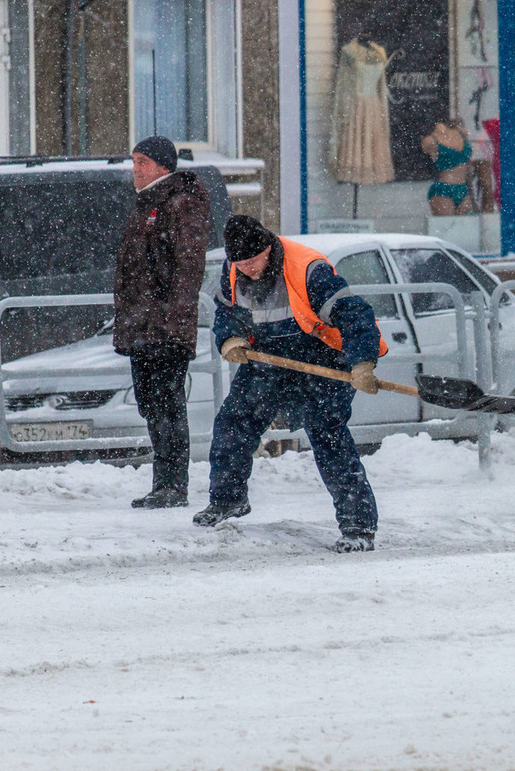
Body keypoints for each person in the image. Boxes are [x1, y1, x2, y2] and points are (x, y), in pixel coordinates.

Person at [192, 215, 388, 553]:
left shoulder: (309, 269)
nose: (248, 270)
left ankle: (359, 526)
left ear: (268, 248)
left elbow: (355, 314)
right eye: (241, 263)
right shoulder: (234, 269)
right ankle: (228, 500)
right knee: (233, 422)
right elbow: (228, 312)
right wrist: (231, 339)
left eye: (253, 261)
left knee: (328, 436)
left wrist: (362, 362)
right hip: (268, 358)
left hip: (320, 357)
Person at [113, 136, 211, 510]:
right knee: (151, 403)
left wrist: (173, 319)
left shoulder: (182, 203)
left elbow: (189, 267)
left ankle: (173, 485)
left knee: (168, 404)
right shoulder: (147, 204)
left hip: (164, 327)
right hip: (142, 325)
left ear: (163, 167)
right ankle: (163, 484)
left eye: (142, 162)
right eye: (133, 161)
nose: (135, 169)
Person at [421, 119, 475, 216]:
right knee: (448, 227)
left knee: (467, 227)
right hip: (443, 190)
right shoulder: (430, 141)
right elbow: (425, 148)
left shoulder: (462, 132)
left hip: (462, 188)